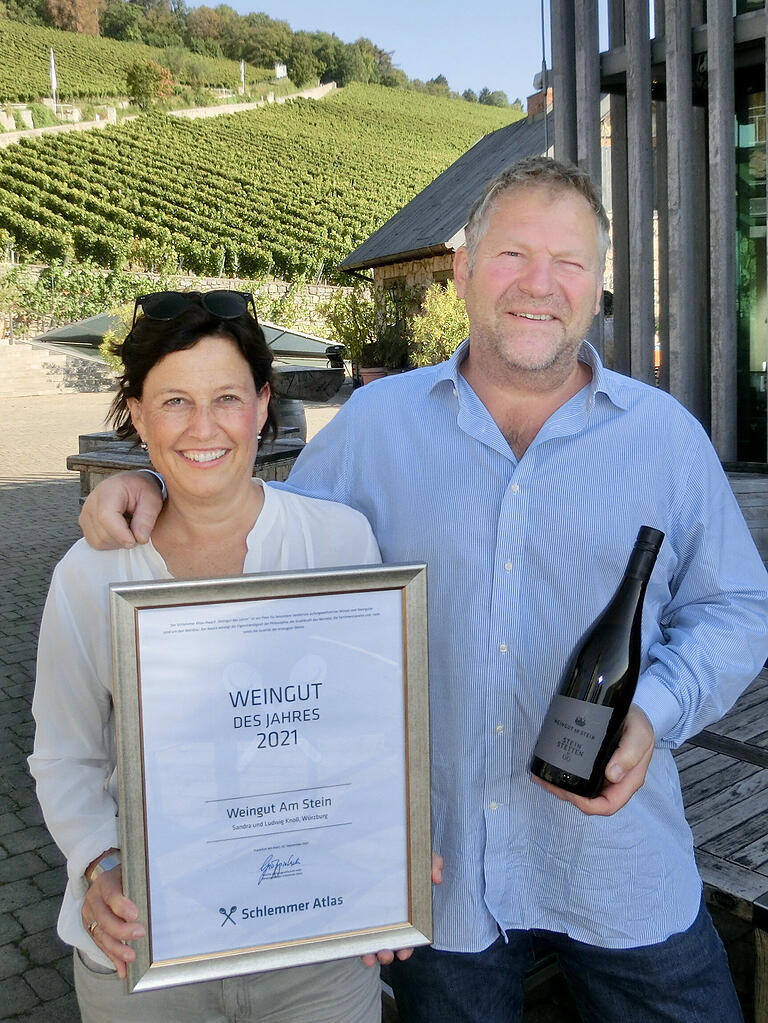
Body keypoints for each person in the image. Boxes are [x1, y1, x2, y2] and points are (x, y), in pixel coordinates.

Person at [77, 159, 768, 1023]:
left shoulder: (664, 437)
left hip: (618, 863)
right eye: (514, 254)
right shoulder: (375, 425)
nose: (539, 285)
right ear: (464, 268)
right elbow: (265, 551)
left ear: (599, 285)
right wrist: (154, 491)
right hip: (432, 876)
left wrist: (656, 707)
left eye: (570, 262)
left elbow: (736, 606)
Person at [28, 290, 398, 1023]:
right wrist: (98, 862)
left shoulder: (338, 542)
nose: (204, 427)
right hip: (147, 948)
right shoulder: (88, 572)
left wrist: (393, 842)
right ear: (136, 412)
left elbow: (375, 733)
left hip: (311, 948)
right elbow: (64, 753)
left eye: (227, 397)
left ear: (263, 403)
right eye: (174, 401)